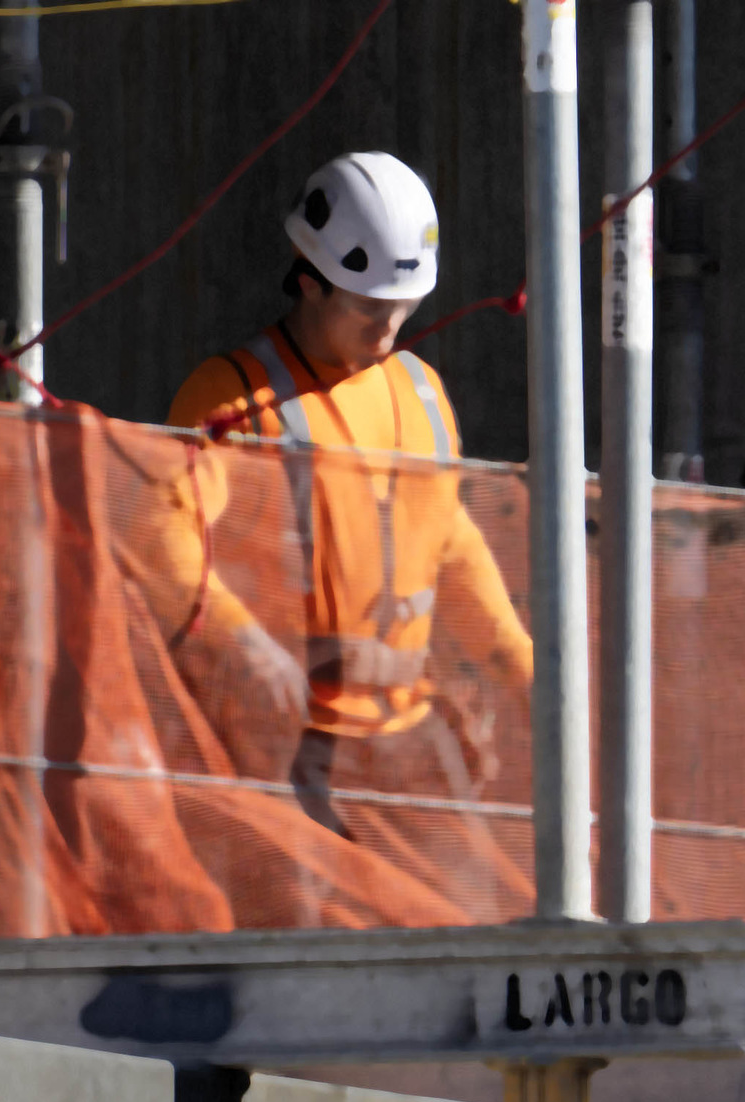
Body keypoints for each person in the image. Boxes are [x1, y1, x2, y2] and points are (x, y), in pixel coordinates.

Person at [156, 150, 535, 874]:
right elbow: (163, 543)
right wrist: (246, 645)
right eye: (369, 308)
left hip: (408, 752)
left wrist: (521, 667)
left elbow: (446, 540)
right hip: (283, 756)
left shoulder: (422, 393)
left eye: (405, 308)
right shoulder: (230, 399)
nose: (389, 329)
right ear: (308, 283)